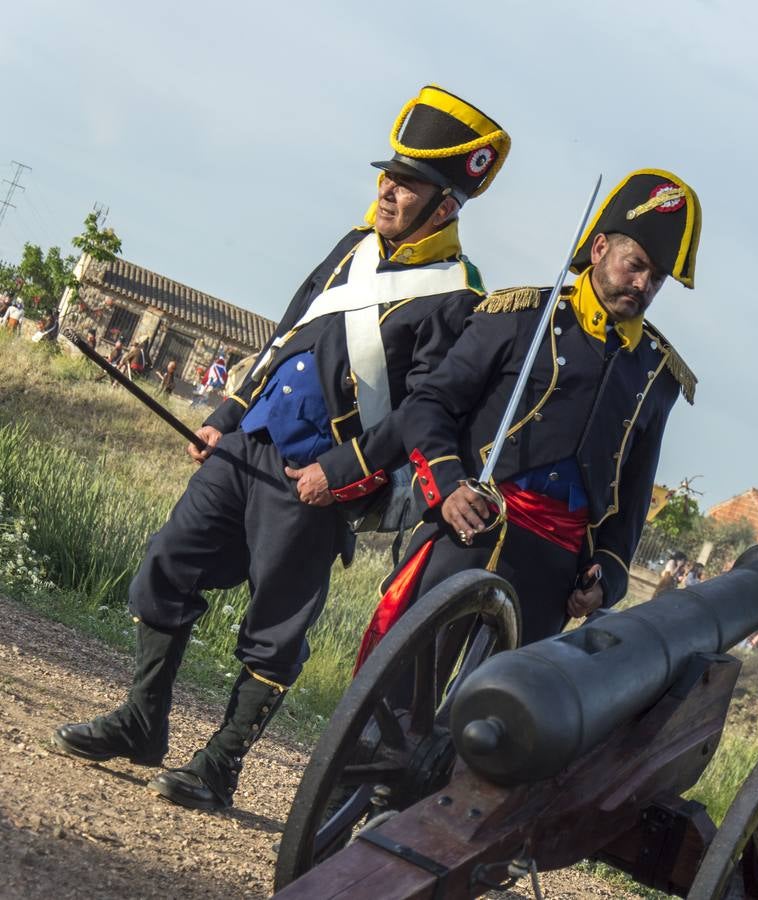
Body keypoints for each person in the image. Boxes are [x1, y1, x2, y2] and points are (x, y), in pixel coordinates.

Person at [53, 85, 511, 813]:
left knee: (275, 629)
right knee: (167, 566)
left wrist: (341, 472)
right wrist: (226, 414)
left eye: (407, 184)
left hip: (318, 479)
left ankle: (220, 765)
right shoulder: (353, 247)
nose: (387, 190)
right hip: (249, 445)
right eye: (388, 176)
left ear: (446, 204)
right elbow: (287, 332)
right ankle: (142, 721)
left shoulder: (457, 294)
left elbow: (428, 411)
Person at [359, 169, 702, 659]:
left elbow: (631, 492)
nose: (643, 284)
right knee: (403, 680)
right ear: (600, 248)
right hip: (471, 525)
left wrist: (609, 575)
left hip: (556, 567)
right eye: (635, 265)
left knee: (492, 719)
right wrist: (447, 484)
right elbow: (430, 404)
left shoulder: (657, 374)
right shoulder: (521, 315)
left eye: (657, 278)